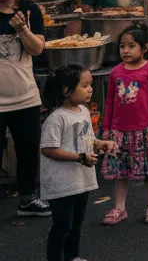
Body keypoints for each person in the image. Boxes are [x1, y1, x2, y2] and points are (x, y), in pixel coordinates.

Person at [40, 64, 114, 261]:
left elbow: (87, 139)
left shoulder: (83, 111)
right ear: (66, 90)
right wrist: (78, 157)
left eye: (90, 84)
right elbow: (48, 149)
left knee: (76, 224)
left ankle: (73, 257)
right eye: (84, 85)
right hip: (62, 183)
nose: (90, 89)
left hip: (80, 180)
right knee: (62, 226)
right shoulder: (56, 119)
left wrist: (100, 144)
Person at [99, 23, 148, 225]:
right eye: (122, 46)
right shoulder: (115, 72)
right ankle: (119, 208)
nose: (126, 51)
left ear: (144, 48)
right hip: (119, 131)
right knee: (121, 171)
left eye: (131, 46)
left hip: (146, 131)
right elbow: (110, 102)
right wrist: (106, 129)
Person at [0, 0, 49, 217]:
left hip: (24, 97)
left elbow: (37, 49)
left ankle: (28, 199)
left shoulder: (30, 11)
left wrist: (22, 29)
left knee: (28, 152)